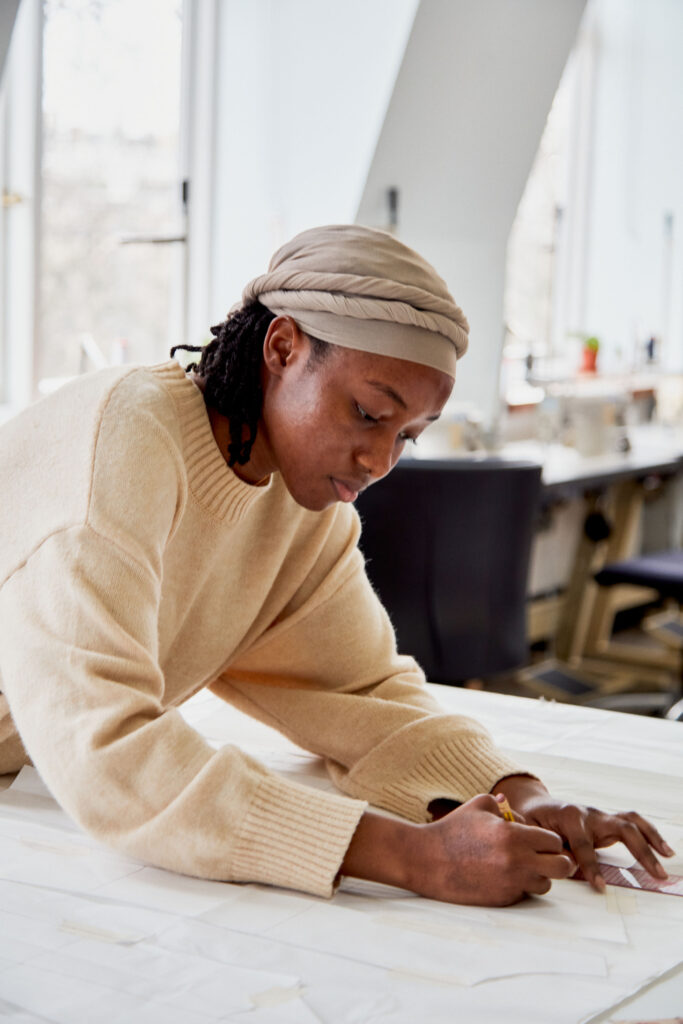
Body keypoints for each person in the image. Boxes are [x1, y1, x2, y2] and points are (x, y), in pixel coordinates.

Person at [0, 225, 673, 907]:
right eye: (367, 413)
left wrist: (516, 795)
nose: (380, 461)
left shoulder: (298, 508)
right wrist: (414, 858)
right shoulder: (124, 442)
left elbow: (359, 692)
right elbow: (106, 747)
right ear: (283, 347)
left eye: (406, 435)